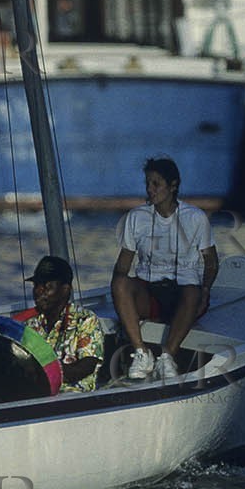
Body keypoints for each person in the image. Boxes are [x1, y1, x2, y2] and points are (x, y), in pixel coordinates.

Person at [110, 156, 218, 382]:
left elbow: (211, 262)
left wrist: (206, 290)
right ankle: (142, 353)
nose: (150, 189)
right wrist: (122, 296)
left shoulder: (195, 218)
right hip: (149, 294)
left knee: (193, 291)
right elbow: (122, 267)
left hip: (183, 295)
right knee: (120, 283)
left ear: (173, 185)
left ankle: (167, 357)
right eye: (147, 184)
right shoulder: (136, 218)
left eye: (156, 184)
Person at [23, 256, 104, 394]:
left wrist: (40, 372)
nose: (38, 291)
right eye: (37, 285)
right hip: (36, 398)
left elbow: (85, 368)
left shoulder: (85, 320)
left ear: (65, 290)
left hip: (74, 400)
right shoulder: (30, 325)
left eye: (47, 286)